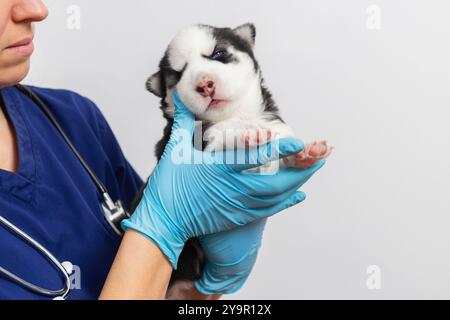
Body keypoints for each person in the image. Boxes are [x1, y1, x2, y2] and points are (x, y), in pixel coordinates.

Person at [0, 0, 325, 300]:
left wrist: (204, 285)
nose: (35, 9)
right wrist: (164, 225)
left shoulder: (70, 120)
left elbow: (167, 282)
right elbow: (163, 225)